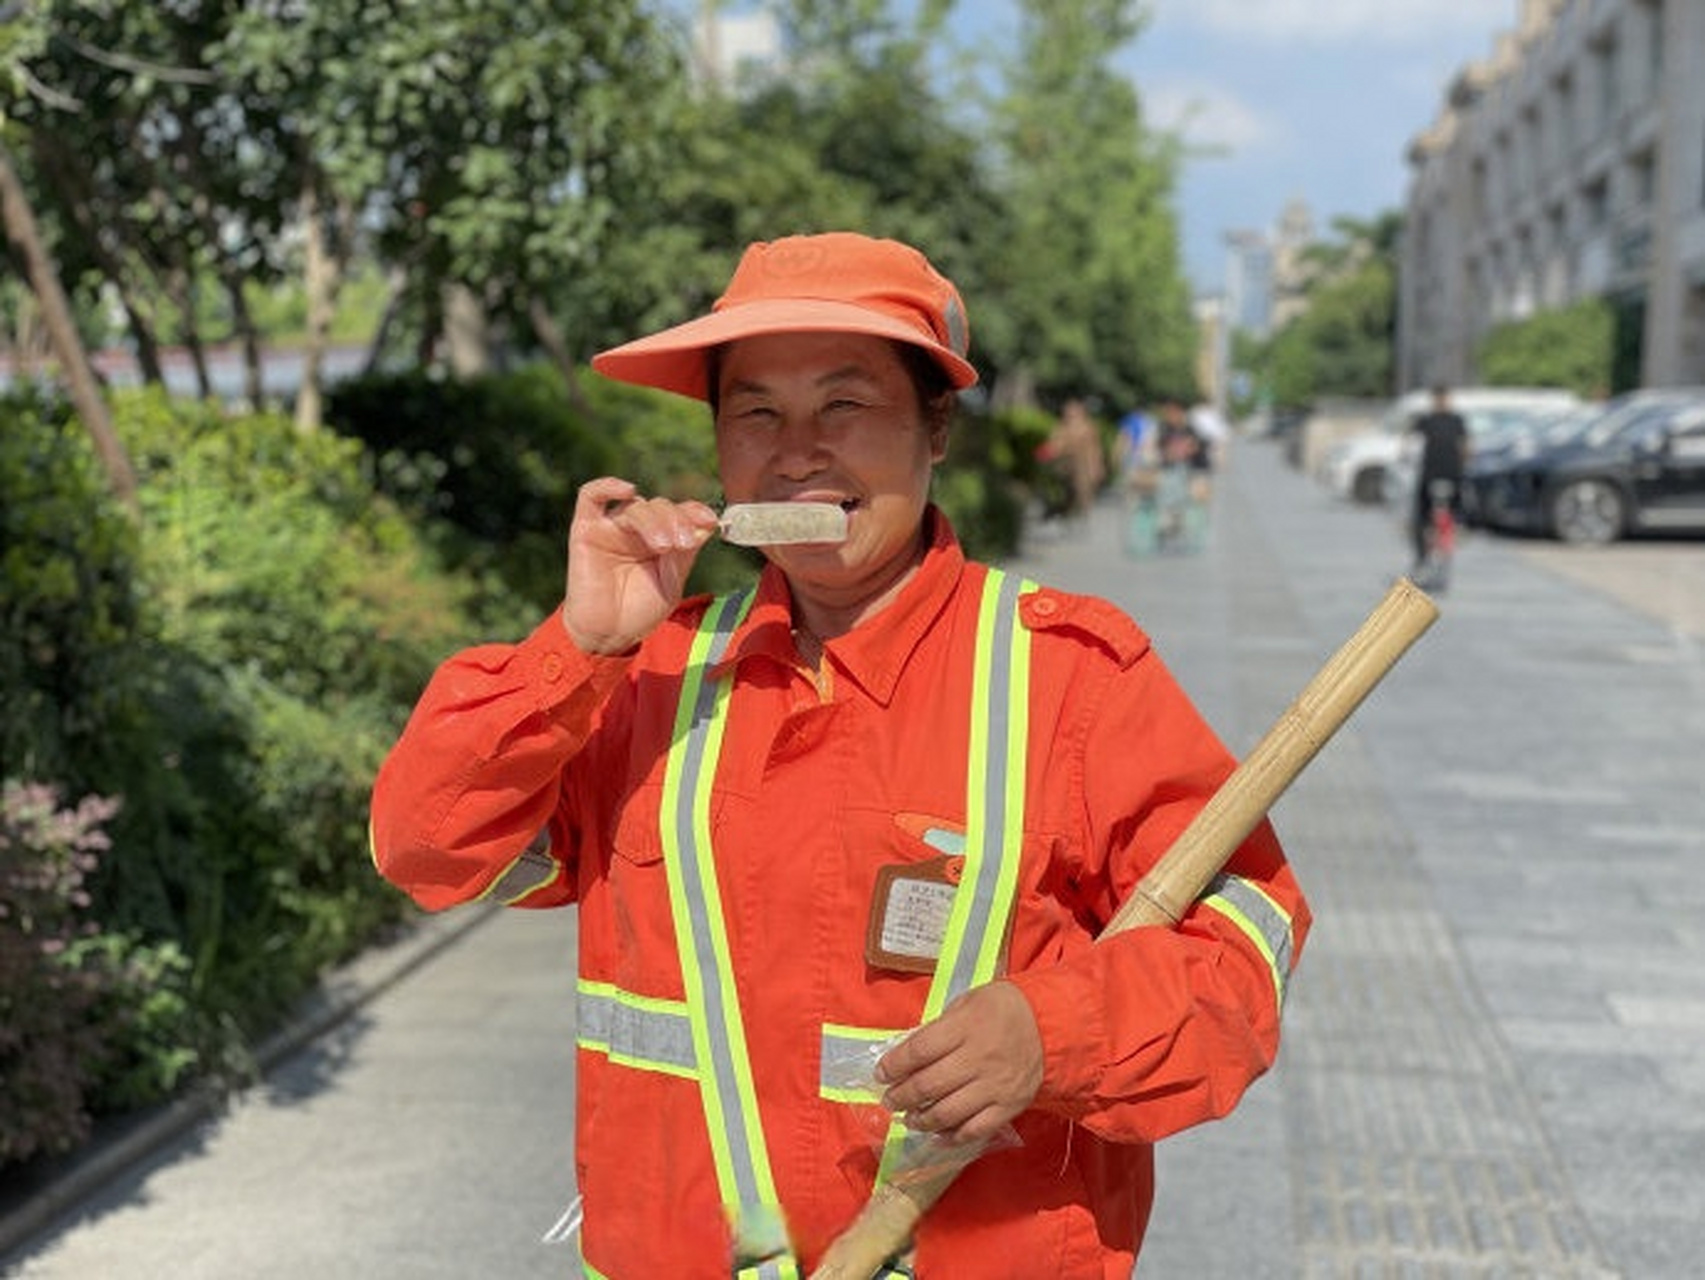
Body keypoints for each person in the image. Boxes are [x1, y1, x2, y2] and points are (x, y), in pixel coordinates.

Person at [369, 232, 1310, 1279]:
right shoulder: (651, 673)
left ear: (935, 425)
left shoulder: (1074, 677)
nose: (797, 450)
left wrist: (1057, 1030)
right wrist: (579, 645)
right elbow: (426, 848)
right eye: (756, 412)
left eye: (846, 406)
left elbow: (1241, 952)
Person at [1409, 384, 1469, 573]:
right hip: (1449, 474)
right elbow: (1466, 446)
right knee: (1453, 510)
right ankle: (1453, 532)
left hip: (1434, 474)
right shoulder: (1455, 420)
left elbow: (1408, 442)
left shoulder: (1428, 420)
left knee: (1421, 517)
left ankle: (1424, 555)